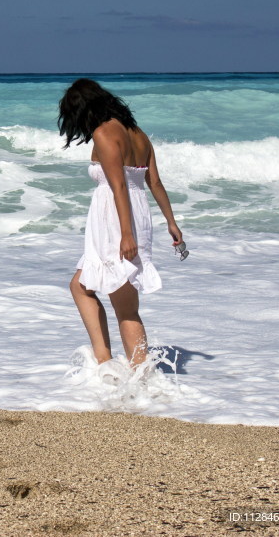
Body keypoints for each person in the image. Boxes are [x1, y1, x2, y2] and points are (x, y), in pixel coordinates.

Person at [58, 78, 183, 368]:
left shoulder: (104, 133)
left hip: (117, 220)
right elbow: (154, 182)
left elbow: (118, 188)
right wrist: (171, 222)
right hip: (137, 214)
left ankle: (124, 372)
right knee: (90, 289)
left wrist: (127, 235)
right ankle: (121, 368)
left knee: (119, 303)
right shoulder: (138, 134)